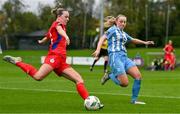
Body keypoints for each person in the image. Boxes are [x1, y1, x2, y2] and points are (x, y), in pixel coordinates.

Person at [3, 5, 103, 108]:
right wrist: (66, 36)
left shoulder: (55, 25)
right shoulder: (58, 24)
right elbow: (59, 30)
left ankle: (90, 102)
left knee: (79, 80)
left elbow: (49, 34)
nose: (68, 19)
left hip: (62, 61)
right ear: (59, 17)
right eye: (66, 17)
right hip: (54, 57)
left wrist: (43, 40)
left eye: (68, 17)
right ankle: (18, 62)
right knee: (38, 77)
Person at [92, 14, 154, 104]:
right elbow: (102, 38)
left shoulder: (123, 33)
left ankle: (134, 100)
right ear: (116, 22)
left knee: (138, 76)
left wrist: (145, 42)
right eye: (121, 21)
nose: (123, 23)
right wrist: (98, 50)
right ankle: (109, 75)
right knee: (124, 84)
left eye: (124, 22)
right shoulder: (112, 29)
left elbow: (133, 40)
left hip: (124, 58)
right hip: (115, 57)